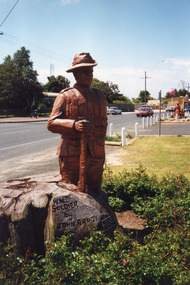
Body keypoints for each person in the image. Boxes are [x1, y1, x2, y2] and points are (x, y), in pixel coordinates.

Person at [47, 52, 107, 193]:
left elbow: (103, 126)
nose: (90, 75)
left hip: (96, 156)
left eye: (91, 71)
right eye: (86, 72)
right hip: (72, 156)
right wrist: (73, 125)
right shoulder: (66, 96)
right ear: (76, 74)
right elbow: (51, 123)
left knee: (95, 193)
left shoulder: (100, 97)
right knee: (69, 191)